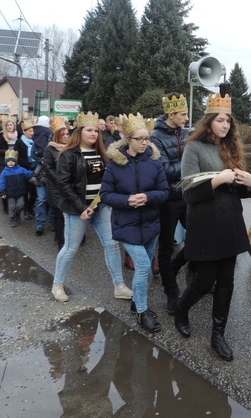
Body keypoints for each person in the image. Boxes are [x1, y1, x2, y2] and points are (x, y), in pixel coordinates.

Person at [174, 93, 251, 362]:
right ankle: (181, 309)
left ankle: (217, 335)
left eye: (228, 121)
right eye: (220, 120)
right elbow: (188, 194)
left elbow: (239, 193)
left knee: (227, 282)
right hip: (205, 224)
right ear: (209, 121)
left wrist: (250, 185)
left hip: (230, 223)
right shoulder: (194, 148)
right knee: (205, 280)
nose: (225, 125)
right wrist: (217, 180)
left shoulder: (232, 148)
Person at [51, 111, 132, 303]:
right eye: (89, 130)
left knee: (112, 245)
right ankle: (57, 285)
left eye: (96, 130)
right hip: (76, 210)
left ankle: (119, 285)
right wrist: (81, 208)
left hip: (101, 207)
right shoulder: (68, 154)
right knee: (71, 248)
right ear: (79, 131)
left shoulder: (102, 153)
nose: (94, 134)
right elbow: (63, 184)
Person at [100, 114, 169, 332]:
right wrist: (127, 200)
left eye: (146, 138)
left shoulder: (154, 163)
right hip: (126, 225)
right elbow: (106, 195)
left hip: (149, 224)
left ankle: (135, 303)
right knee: (143, 266)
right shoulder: (115, 164)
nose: (144, 143)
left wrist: (148, 197)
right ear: (128, 139)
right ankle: (141, 311)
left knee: (144, 267)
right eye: (139, 139)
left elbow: (164, 191)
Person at [150, 93, 191, 314]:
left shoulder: (186, 133)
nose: (186, 117)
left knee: (197, 238)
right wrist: (189, 164)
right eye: (183, 114)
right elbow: (164, 171)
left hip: (188, 195)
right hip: (168, 198)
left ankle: (173, 269)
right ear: (171, 114)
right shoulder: (155, 137)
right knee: (165, 247)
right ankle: (171, 292)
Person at [42, 116, 69, 249]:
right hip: (56, 187)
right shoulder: (50, 149)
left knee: (68, 214)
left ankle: (68, 238)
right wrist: (61, 181)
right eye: (62, 134)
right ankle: (60, 241)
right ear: (57, 136)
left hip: (69, 186)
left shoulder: (70, 148)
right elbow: (48, 167)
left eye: (67, 134)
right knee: (59, 214)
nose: (65, 136)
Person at [0, 150, 34, 227]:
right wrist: (2, 192)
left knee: (21, 205)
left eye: (12, 161)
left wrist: (34, 170)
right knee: (11, 207)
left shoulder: (20, 169)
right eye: (9, 161)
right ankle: (12, 219)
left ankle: (17, 214)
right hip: (10, 193)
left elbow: (28, 174)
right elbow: (2, 183)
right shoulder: (4, 172)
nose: (11, 163)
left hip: (20, 192)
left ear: (16, 162)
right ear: (6, 162)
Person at [15, 120, 38, 223]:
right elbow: (17, 156)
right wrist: (27, 165)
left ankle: (30, 207)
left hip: (35, 169)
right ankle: (25, 210)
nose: (31, 133)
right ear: (24, 132)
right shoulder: (19, 142)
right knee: (25, 191)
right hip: (23, 169)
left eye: (32, 131)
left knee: (34, 192)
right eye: (29, 131)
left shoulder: (37, 141)